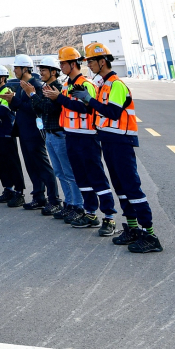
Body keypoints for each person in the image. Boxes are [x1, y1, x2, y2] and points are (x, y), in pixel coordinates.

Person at [82, 43, 162, 253]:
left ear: (102, 61)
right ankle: (133, 228)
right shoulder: (103, 85)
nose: (89, 65)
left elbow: (114, 113)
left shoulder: (116, 85)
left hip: (121, 142)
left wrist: (89, 100)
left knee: (131, 186)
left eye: (91, 61)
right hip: (108, 140)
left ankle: (150, 235)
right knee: (121, 188)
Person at [44, 47, 117, 230]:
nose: (60, 66)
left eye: (63, 63)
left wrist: (59, 98)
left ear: (72, 63)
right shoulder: (68, 84)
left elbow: (87, 108)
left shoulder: (86, 84)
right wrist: (58, 98)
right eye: (60, 63)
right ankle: (90, 213)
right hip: (71, 135)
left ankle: (109, 216)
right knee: (81, 177)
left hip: (87, 137)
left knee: (96, 176)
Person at [30, 53, 81, 222]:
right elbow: (38, 109)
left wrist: (32, 95)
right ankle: (69, 203)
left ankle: (77, 205)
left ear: (53, 72)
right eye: (40, 70)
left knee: (69, 173)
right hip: (50, 135)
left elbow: (48, 108)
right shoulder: (46, 88)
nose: (41, 73)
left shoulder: (56, 88)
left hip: (59, 135)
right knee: (60, 172)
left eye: (43, 70)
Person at [10, 55, 58, 213]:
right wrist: (12, 100)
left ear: (25, 69)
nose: (14, 70)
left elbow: (34, 107)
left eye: (16, 68)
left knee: (43, 166)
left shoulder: (35, 85)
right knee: (31, 166)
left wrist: (15, 101)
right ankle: (39, 196)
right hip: (24, 132)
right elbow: (21, 105)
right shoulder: (22, 85)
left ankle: (54, 199)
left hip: (34, 132)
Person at [0, 65, 26, 207]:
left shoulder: (6, 91)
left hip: (6, 133)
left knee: (12, 163)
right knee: (0, 163)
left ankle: (19, 192)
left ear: (2, 78)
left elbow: (2, 111)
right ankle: (8, 189)